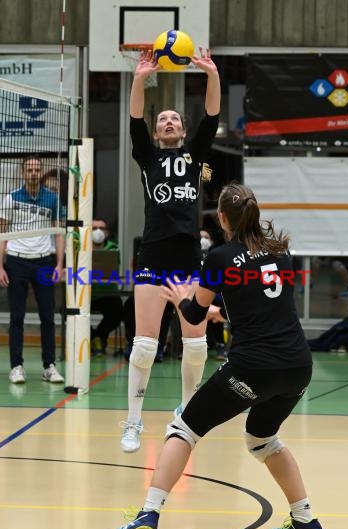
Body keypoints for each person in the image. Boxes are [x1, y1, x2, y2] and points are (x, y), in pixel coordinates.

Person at [110, 182, 326, 529]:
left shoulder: (221, 257)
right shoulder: (281, 253)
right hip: (297, 367)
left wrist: (183, 299)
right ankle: (305, 520)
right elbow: (263, 304)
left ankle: (148, 513)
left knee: (184, 429)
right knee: (263, 439)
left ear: (223, 218)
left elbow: (192, 312)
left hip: (253, 368)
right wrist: (220, 312)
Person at [119, 47, 221, 453]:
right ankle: (133, 422)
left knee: (196, 344)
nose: (167, 122)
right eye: (162, 119)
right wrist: (140, 78)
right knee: (145, 344)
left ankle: (186, 412)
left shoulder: (195, 155)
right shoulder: (147, 157)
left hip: (187, 260)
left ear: (181, 131)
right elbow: (133, 120)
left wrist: (211, 73)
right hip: (154, 257)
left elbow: (211, 117)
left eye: (174, 119)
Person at [0, 156, 65, 384]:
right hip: (16, 262)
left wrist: (59, 264)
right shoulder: (11, 198)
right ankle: (16, 366)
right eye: (29, 170)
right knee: (17, 317)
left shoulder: (53, 199)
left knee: (47, 316)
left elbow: (59, 233)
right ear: (23, 173)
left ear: (42, 173)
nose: (33, 173)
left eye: (37, 170)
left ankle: (49, 366)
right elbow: (1, 235)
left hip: (44, 262)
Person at [90, 217, 123, 357]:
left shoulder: (114, 248)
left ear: (107, 233)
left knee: (117, 311)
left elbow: (113, 269)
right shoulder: (80, 249)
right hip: (87, 295)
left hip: (107, 294)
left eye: (101, 228)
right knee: (71, 311)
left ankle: (98, 337)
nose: (98, 231)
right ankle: (97, 341)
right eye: (94, 228)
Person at [200, 228, 227, 361]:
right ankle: (187, 346)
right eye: (200, 237)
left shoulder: (215, 255)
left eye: (206, 237)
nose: (203, 240)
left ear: (210, 241)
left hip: (213, 292)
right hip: (195, 292)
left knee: (215, 304)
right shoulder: (192, 255)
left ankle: (220, 345)